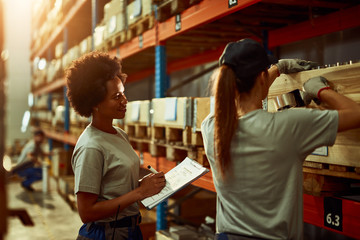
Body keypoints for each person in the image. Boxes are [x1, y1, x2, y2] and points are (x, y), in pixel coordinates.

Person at [201, 38, 360, 240]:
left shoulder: (211, 129)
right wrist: (320, 90)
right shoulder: (288, 126)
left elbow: (226, 105)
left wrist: (275, 70)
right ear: (261, 78)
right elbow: (355, 113)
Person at [65, 51, 166, 240]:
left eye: (123, 94)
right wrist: (139, 192)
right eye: (116, 96)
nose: (124, 101)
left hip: (129, 230)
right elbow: (87, 212)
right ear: (95, 103)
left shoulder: (119, 134)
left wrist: (141, 185)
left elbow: (113, 187)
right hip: (105, 233)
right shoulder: (91, 147)